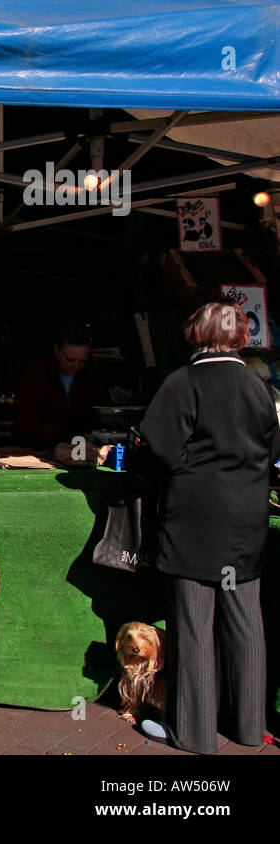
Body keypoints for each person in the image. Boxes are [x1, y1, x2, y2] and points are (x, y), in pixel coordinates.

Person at [137, 301, 280, 753]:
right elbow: (272, 447)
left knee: (194, 626)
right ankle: (248, 726)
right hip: (247, 520)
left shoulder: (184, 382)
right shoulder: (259, 387)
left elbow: (158, 448)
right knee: (246, 622)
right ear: (240, 337)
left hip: (196, 520)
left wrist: (186, 466)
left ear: (196, 334)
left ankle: (195, 734)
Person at [12, 320, 101, 448]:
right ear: (56, 350)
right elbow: (25, 422)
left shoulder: (90, 375)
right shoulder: (36, 375)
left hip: (79, 448)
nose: (76, 366)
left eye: (82, 361)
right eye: (70, 360)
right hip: (37, 449)